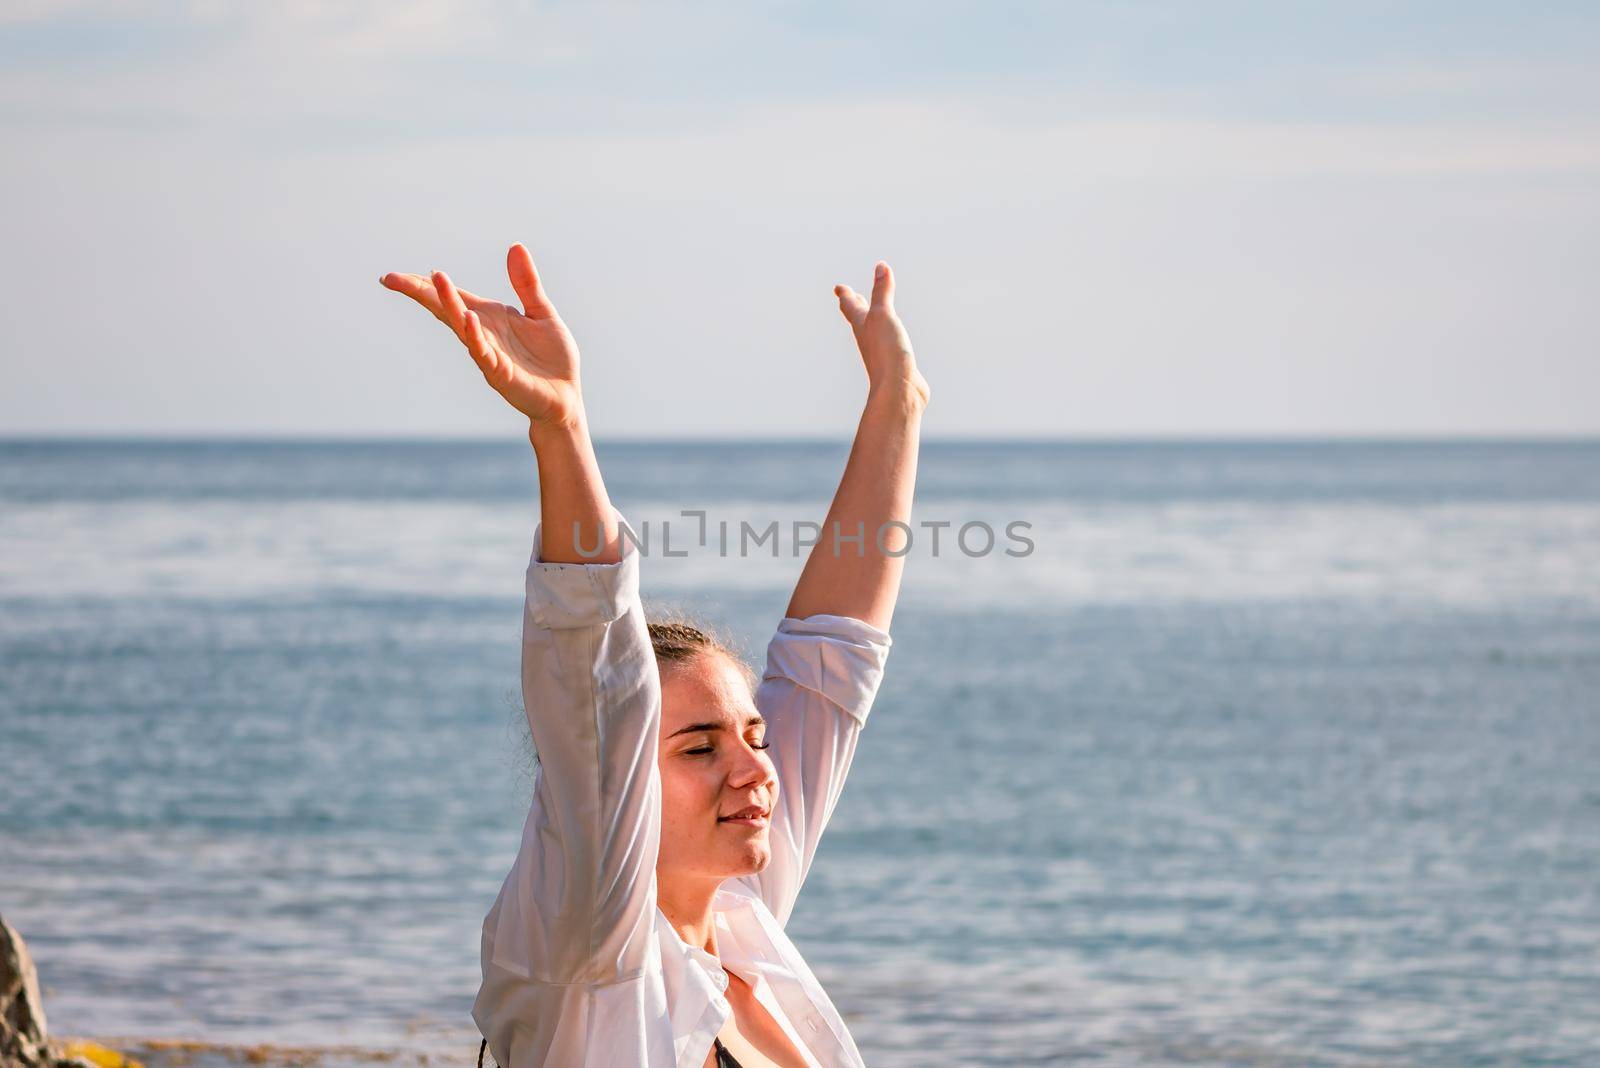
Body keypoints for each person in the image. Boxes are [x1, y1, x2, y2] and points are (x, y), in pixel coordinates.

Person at [379, 244, 929, 1067]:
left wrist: (897, 404)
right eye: (698, 746)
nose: (754, 771)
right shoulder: (585, 952)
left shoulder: (741, 917)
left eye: (753, 737)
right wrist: (561, 428)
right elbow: (594, 680)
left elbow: (834, 658)